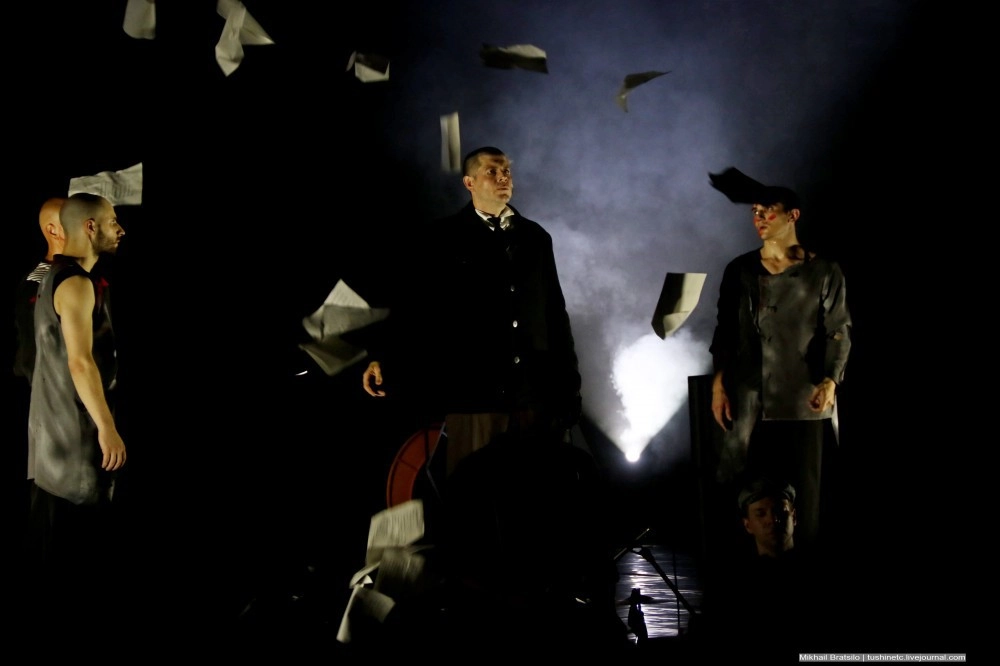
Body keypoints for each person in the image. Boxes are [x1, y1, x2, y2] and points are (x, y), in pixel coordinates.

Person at [359, 146, 618, 651]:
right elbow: (413, 305)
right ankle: (480, 622)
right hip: (475, 395)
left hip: (532, 397)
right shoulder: (444, 237)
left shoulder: (535, 237)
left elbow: (554, 314)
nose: (503, 178)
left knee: (536, 505)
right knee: (476, 506)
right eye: (492, 171)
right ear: (469, 182)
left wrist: (569, 384)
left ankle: (539, 614)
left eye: (507, 171)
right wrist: (381, 355)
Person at [707, 170, 851, 553]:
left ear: (792, 216)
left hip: (803, 398)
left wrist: (831, 379)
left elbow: (838, 329)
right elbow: (725, 331)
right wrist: (719, 383)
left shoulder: (824, 271)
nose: (759, 218)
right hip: (751, 396)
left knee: (806, 495)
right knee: (749, 487)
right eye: (754, 212)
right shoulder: (740, 270)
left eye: (767, 211)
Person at [25, 192, 127, 632]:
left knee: (58, 553)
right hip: (73, 440)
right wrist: (107, 427)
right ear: (88, 227)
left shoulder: (51, 277)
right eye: (112, 221)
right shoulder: (73, 283)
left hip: (53, 441)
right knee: (75, 557)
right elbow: (79, 362)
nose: (120, 230)